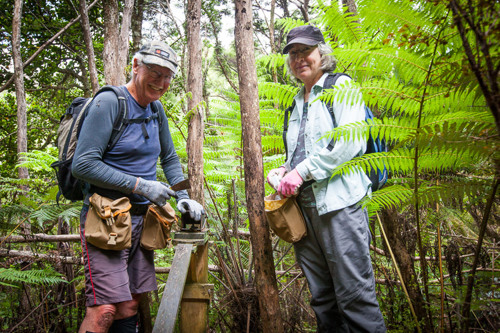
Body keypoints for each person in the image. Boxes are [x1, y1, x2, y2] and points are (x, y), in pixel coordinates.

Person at [72, 40, 204, 333]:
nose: (161, 82)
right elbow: (82, 164)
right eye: (155, 72)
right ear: (135, 66)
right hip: (106, 219)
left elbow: (169, 158)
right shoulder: (110, 102)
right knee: (104, 309)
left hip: (142, 222)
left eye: (167, 76)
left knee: (130, 304)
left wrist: (182, 197)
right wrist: (141, 186)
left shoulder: (156, 110)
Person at [266, 26, 386, 332]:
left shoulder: (341, 87)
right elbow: (300, 153)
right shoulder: (295, 101)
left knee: (355, 298)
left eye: (306, 51)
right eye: (293, 54)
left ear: (322, 52)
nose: (299, 59)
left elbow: (349, 143)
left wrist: (300, 172)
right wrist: (282, 170)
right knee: (322, 299)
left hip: (339, 208)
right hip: (304, 214)